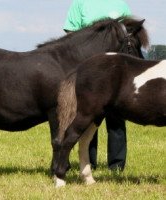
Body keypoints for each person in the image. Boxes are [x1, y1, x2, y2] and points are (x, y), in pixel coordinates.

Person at [64, 0, 131, 171]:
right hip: (90, 71)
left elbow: (128, 32)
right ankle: (89, 163)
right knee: (87, 117)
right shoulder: (80, 3)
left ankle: (116, 166)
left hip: (115, 71)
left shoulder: (120, 4)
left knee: (116, 118)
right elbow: (70, 33)